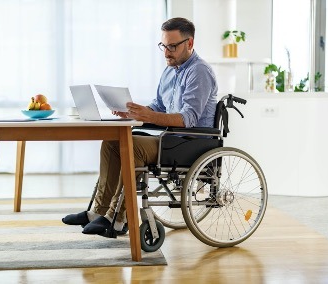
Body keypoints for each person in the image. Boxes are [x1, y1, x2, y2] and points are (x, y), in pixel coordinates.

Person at [62, 17, 218, 235]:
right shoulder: (170, 70)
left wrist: (149, 115)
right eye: (163, 46)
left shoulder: (199, 72)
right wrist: (134, 113)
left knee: (131, 146)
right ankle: (98, 212)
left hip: (187, 142)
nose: (166, 53)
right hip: (169, 138)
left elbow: (187, 119)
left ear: (189, 43)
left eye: (172, 46)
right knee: (111, 142)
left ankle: (117, 218)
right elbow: (159, 106)